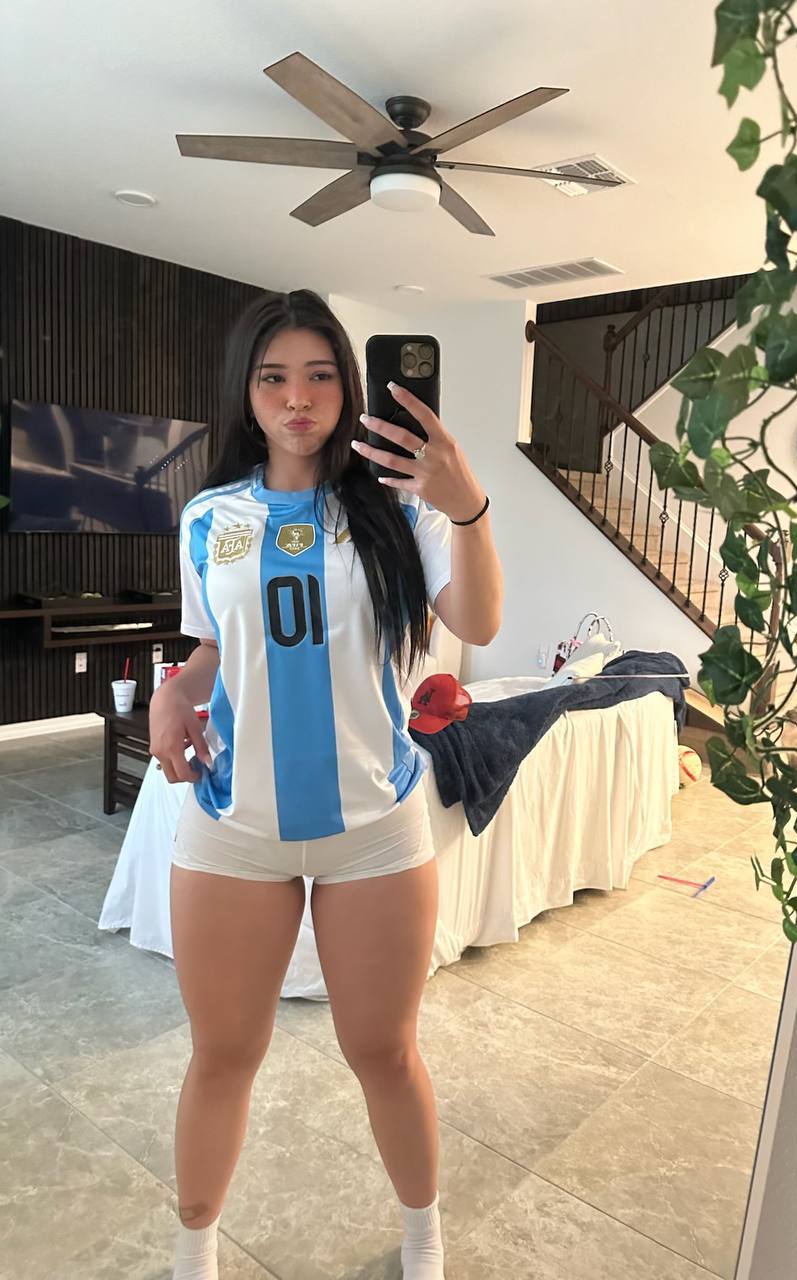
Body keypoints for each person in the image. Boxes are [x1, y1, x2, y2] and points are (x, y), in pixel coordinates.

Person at [149, 288, 503, 1280]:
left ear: (349, 388)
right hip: (233, 825)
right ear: (246, 392)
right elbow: (215, 647)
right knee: (222, 1055)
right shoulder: (209, 517)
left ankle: (424, 1242)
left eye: (318, 376)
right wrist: (175, 690)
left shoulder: (398, 508)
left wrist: (466, 502)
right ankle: (194, 1255)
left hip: (374, 829)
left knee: (383, 1051)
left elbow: (478, 621)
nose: (297, 398)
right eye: (274, 378)